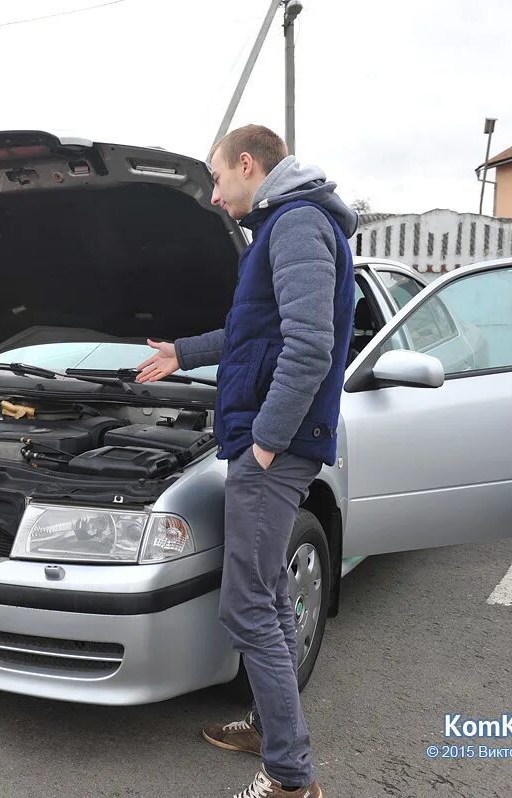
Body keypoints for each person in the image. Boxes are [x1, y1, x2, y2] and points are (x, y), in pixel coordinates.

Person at [137, 125, 356, 798]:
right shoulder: (283, 227)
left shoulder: (294, 225)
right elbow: (252, 330)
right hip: (269, 442)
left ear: (247, 163)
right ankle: (269, 724)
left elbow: (311, 344)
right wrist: (184, 350)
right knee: (267, 602)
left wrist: (265, 438)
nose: (213, 192)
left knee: (248, 606)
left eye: (216, 178)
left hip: (274, 448)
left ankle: (292, 778)